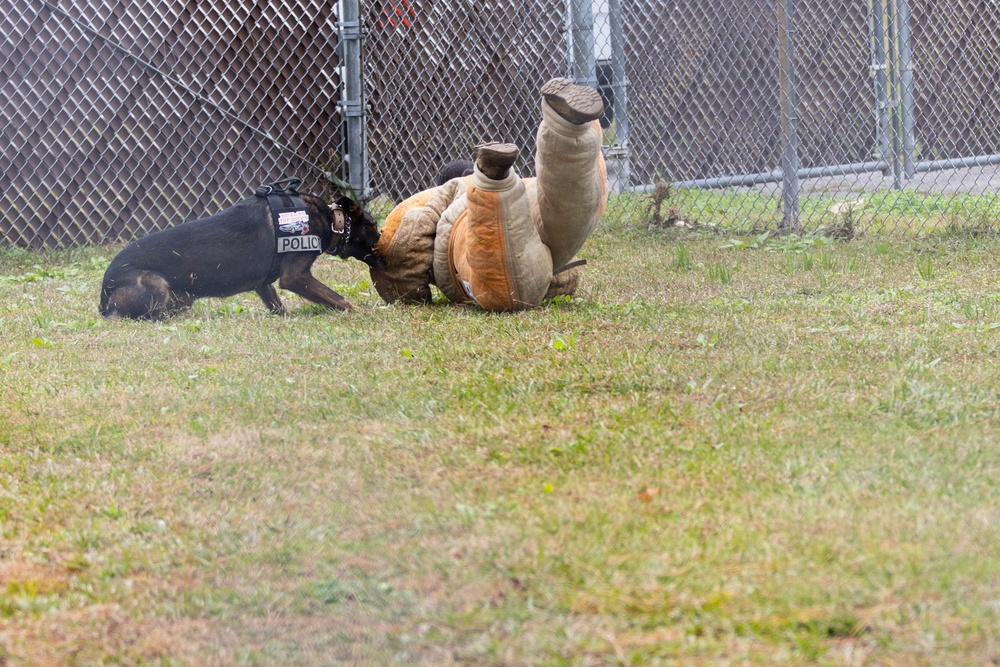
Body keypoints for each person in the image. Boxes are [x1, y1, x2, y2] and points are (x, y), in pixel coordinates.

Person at [369, 78, 608, 312]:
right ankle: (568, 131)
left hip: (471, 230)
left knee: (501, 280)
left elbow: (407, 237)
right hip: (526, 193)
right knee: (567, 210)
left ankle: (492, 183)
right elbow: (566, 278)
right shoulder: (469, 186)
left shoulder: (448, 191)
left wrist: (407, 292)